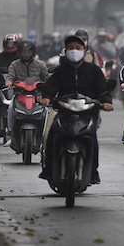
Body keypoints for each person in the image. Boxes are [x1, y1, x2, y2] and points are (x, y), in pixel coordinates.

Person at [38, 35, 113, 184]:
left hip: (88, 113)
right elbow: (50, 88)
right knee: (52, 135)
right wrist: (46, 97)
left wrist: (106, 102)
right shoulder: (60, 71)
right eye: (71, 48)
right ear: (66, 51)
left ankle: (93, 171)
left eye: (77, 48)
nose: (74, 51)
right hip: (64, 113)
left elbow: (103, 90)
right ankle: (48, 169)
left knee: (92, 138)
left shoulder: (94, 71)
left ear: (84, 51)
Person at [3, 40, 48, 146]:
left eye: (28, 52)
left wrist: (47, 85)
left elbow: (46, 76)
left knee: (46, 110)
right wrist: (8, 82)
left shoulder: (40, 64)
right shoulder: (15, 64)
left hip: (37, 94)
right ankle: (10, 133)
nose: (26, 54)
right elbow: (10, 75)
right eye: (24, 52)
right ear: (19, 52)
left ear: (33, 52)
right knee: (10, 108)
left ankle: (45, 134)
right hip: (20, 94)